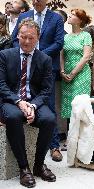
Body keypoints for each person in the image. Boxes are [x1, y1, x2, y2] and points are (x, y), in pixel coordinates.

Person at [0, 18, 56, 188]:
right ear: (17, 36)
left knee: (49, 119)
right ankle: (24, 167)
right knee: (14, 116)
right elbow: (1, 84)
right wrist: (18, 102)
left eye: (31, 38)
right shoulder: (4, 55)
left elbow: (47, 90)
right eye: (23, 37)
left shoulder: (45, 59)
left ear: (38, 38)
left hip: (34, 102)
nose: (26, 41)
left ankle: (38, 165)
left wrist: (32, 105)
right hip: (11, 99)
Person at [12, 0, 65, 162]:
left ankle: (54, 146)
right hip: (23, 67)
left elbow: (58, 43)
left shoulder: (55, 18)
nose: (36, 1)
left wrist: (37, 55)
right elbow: (15, 39)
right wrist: (25, 52)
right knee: (20, 102)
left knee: (48, 105)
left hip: (45, 67)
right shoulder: (24, 16)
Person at [60, 9, 92, 124]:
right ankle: (70, 140)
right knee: (69, 106)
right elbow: (62, 55)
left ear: (80, 20)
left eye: (73, 15)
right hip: (66, 75)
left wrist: (73, 73)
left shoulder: (86, 35)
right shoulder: (65, 37)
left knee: (79, 106)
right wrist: (62, 71)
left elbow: (86, 57)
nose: (69, 16)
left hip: (81, 74)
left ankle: (81, 140)